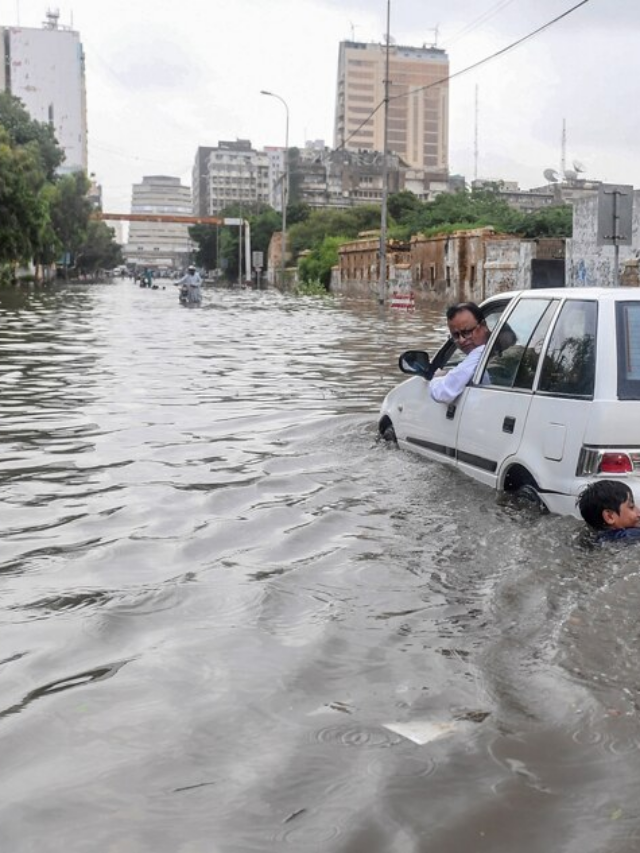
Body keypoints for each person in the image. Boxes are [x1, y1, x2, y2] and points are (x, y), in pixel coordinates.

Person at [429, 302, 491, 404]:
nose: (462, 340)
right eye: (456, 336)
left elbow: (442, 393)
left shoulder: (479, 353)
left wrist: (436, 378)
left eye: (467, 332)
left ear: (483, 325)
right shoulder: (496, 348)